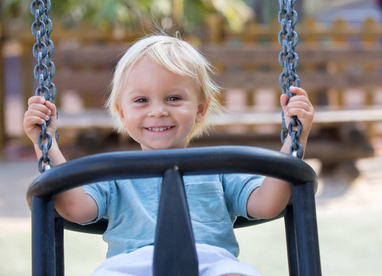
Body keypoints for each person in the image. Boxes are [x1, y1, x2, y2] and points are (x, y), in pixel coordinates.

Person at [23, 34, 314, 276]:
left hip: (209, 262)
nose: (158, 110)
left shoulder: (219, 168)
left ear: (200, 108)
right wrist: (45, 144)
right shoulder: (113, 172)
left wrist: (295, 138)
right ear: (122, 113)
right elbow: (75, 207)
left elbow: (267, 204)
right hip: (130, 264)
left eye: (173, 98)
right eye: (141, 100)